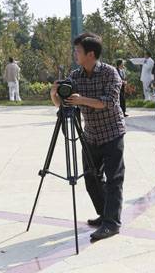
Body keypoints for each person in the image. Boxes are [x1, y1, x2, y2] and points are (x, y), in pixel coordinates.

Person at [50, 33, 125, 242]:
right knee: (91, 178)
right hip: (90, 135)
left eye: (78, 51)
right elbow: (63, 104)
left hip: (112, 132)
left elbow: (109, 102)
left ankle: (112, 224)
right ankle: (104, 214)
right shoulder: (75, 76)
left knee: (114, 179)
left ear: (90, 54)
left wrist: (82, 99)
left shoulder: (110, 73)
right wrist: (54, 94)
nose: (75, 54)